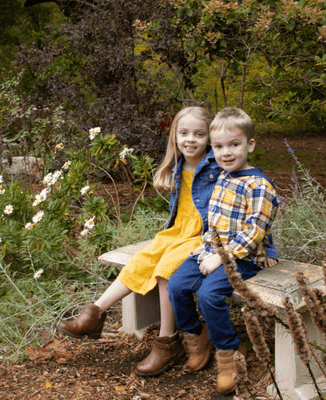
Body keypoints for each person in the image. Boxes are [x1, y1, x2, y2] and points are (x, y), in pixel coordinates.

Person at [58, 106, 277, 377]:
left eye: (199, 134)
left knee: (167, 270)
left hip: (202, 235)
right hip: (179, 231)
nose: (190, 140)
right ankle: (95, 313)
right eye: (183, 133)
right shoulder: (181, 165)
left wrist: (270, 247)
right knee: (144, 259)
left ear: (209, 138)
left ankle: (167, 340)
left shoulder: (218, 165)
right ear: (174, 136)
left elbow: (255, 217)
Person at [167, 107, 279, 394]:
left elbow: (256, 230)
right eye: (218, 146)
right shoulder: (222, 176)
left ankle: (230, 349)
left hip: (240, 259)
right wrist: (208, 252)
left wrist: (222, 257)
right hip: (209, 251)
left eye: (234, 144)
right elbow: (214, 222)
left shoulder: (259, 186)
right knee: (177, 286)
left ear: (250, 145)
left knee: (209, 295)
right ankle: (196, 334)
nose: (225, 152)